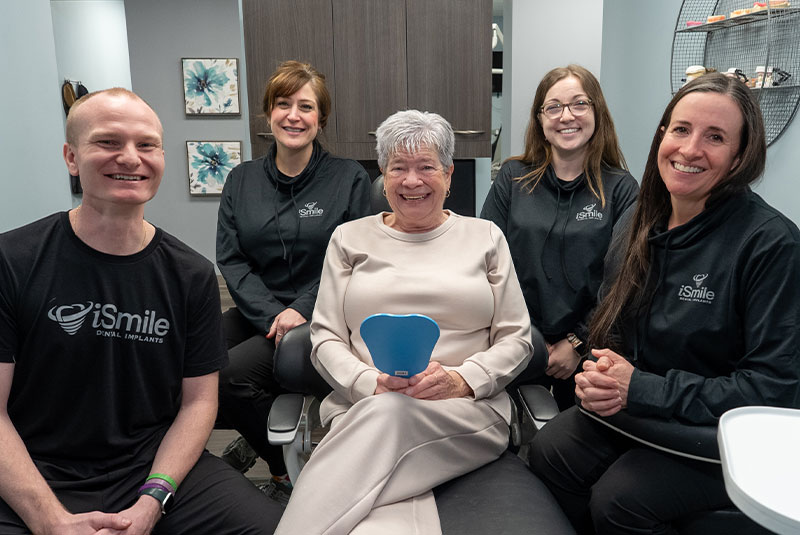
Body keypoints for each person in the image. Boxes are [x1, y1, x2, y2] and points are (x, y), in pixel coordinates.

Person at [0, 88, 281, 534]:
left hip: (150, 466)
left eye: (147, 144)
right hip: (34, 469)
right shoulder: (13, 260)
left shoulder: (191, 274)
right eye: (108, 142)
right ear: (72, 157)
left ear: (161, 158)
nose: (131, 158)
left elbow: (199, 403)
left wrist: (154, 498)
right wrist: (50, 520)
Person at [530, 73, 800, 534]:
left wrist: (641, 389)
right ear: (662, 135)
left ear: (740, 155)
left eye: (715, 137)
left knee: (621, 499)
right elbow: (612, 324)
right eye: (681, 129)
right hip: (643, 410)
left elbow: (773, 389)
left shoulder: (770, 245)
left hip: (717, 432)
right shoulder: (638, 221)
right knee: (548, 452)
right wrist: (599, 373)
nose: (690, 150)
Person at [274, 110, 533, 534]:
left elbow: (517, 338)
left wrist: (462, 380)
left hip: (463, 411)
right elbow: (325, 338)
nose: (412, 181)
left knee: (390, 412)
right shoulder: (349, 239)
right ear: (383, 175)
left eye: (426, 167)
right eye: (398, 168)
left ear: (448, 175)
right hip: (363, 407)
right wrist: (369, 384)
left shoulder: (485, 237)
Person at [215, 60, 371, 498]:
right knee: (192, 357)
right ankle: (264, 440)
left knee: (230, 377)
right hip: (259, 310)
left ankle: (286, 469)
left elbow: (352, 259)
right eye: (283, 104)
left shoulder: (349, 178)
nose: (293, 116)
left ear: (321, 118)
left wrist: (300, 309)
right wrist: (272, 314)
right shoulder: (241, 179)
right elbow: (231, 258)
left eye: (306, 106)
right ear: (269, 113)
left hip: (324, 314)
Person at [481, 65, 638, 409]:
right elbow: (486, 262)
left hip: (591, 349)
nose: (566, 116)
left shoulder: (621, 188)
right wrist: (529, 338)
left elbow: (622, 282)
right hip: (517, 338)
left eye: (579, 104)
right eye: (553, 107)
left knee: (572, 434)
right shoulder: (512, 178)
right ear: (540, 119)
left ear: (597, 112)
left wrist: (577, 342)